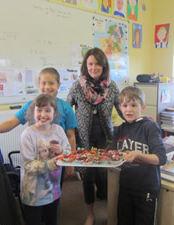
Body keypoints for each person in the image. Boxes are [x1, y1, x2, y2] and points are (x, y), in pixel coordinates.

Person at [0, 67, 78, 183]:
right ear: (38, 84)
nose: (47, 87)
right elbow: (12, 122)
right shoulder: (31, 106)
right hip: (36, 161)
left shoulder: (66, 108)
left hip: (57, 159)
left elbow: (71, 136)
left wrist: (70, 162)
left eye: (51, 83)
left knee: (55, 191)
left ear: (58, 84)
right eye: (43, 83)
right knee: (37, 191)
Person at [66, 47, 122, 225]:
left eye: (97, 63)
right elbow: (67, 109)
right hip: (84, 139)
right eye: (90, 64)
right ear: (85, 65)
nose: (93, 67)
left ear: (103, 65)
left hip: (105, 137)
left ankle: (108, 208)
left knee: (105, 174)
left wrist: (139, 119)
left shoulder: (112, 87)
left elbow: (123, 109)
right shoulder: (77, 86)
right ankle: (90, 213)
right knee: (88, 176)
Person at [111, 86, 167, 225]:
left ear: (143, 106)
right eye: (125, 105)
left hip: (146, 188)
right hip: (126, 186)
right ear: (120, 107)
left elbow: (161, 158)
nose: (128, 110)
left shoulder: (150, 127)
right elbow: (112, 154)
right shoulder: (119, 129)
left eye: (134, 105)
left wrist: (138, 155)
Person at [20, 94, 71, 225]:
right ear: (33, 112)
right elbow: (29, 165)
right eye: (39, 110)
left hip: (53, 189)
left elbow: (68, 152)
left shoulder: (59, 130)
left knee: (52, 220)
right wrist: (51, 163)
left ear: (54, 113)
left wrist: (61, 151)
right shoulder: (28, 134)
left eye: (47, 110)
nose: (43, 114)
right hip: (33, 192)